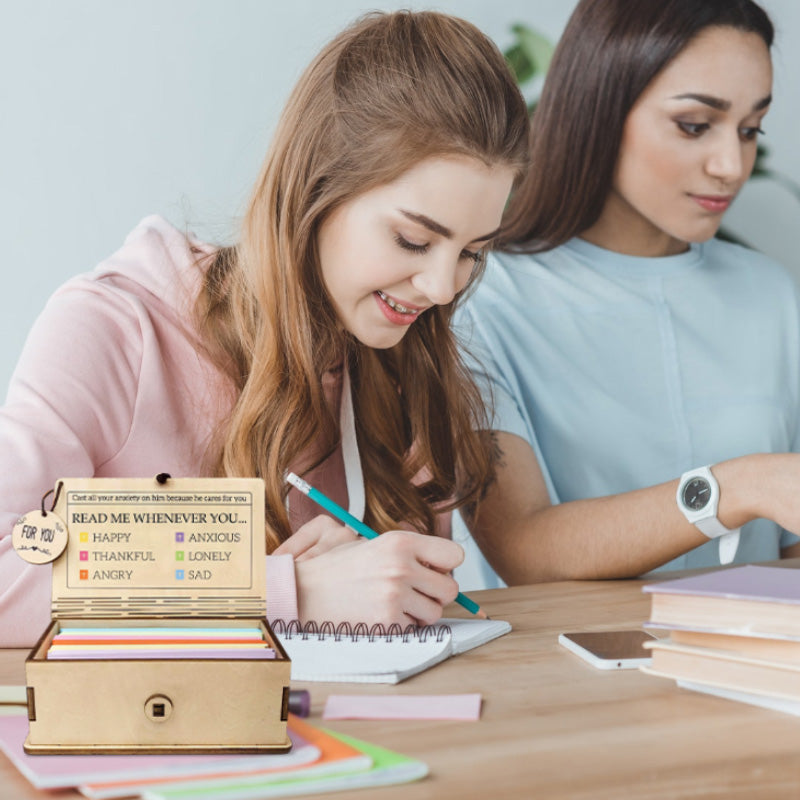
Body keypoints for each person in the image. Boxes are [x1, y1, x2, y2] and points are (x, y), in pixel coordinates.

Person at [0, 11, 529, 646]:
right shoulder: (114, 329)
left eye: (473, 252)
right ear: (315, 189)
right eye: (413, 239)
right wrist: (290, 590)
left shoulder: (400, 353)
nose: (444, 289)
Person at [455, 0, 800, 587]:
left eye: (750, 130)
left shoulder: (768, 293)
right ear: (600, 110)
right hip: (562, 674)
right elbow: (523, 549)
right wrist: (737, 487)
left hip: (748, 667)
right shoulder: (478, 300)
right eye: (695, 125)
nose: (731, 165)